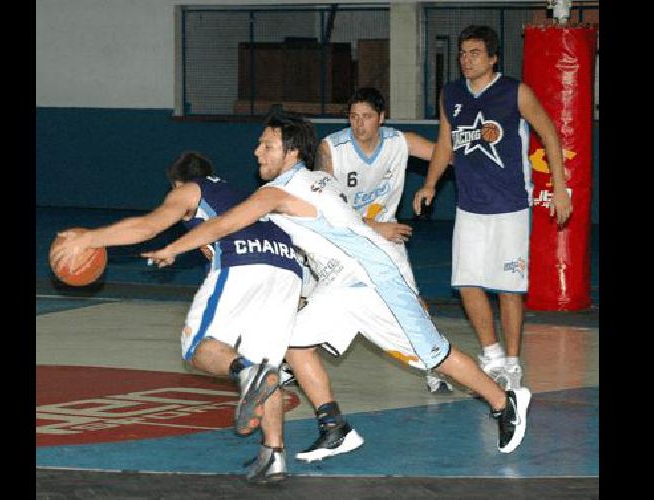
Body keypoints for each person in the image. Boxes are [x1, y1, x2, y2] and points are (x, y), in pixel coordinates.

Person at [143, 111, 531, 462]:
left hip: (373, 281)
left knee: (433, 357)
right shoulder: (310, 182)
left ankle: (505, 402)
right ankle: (334, 428)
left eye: (267, 144)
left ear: (292, 152)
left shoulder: (279, 192)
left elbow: (228, 222)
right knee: (290, 343)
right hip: (340, 285)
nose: (257, 151)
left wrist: (176, 246)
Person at [49, 151, 301, 484]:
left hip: (245, 263)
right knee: (267, 361)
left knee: (196, 344)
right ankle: (274, 455)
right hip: (288, 269)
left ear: (177, 183)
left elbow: (148, 226)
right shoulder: (240, 194)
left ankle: (248, 373)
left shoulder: (191, 189)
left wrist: (90, 239)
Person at [411, 25, 573, 433]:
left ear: (493, 58)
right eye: (463, 53)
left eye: (475, 53)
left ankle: (513, 365)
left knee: (508, 288)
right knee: (466, 284)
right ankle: (492, 356)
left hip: (510, 207)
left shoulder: (514, 92)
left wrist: (560, 189)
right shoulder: (452, 94)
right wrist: (430, 183)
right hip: (470, 207)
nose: (467, 60)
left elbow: (550, 135)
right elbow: (445, 143)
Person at [316, 86, 453, 394]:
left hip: (385, 239)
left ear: (381, 118)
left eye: (366, 117)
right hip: (341, 239)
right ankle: (288, 364)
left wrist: (482, 168)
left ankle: (435, 366)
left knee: (414, 304)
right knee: (304, 299)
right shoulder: (331, 149)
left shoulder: (398, 142)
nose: (358, 124)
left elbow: (445, 155)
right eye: (353, 117)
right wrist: (373, 226)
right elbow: (324, 206)